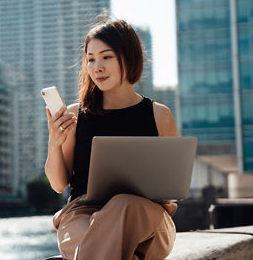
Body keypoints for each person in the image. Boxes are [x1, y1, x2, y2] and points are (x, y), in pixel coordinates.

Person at [45, 17, 178, 260]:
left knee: (123, 204)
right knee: (96, 248)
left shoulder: (160, 115)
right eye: (90, 59)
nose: (97, 67)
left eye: (107, 57)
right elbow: (58, 184)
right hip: (82, 213)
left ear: (128, 57)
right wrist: (55, 143)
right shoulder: (75, 116)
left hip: (146, 218)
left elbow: (171, 186)